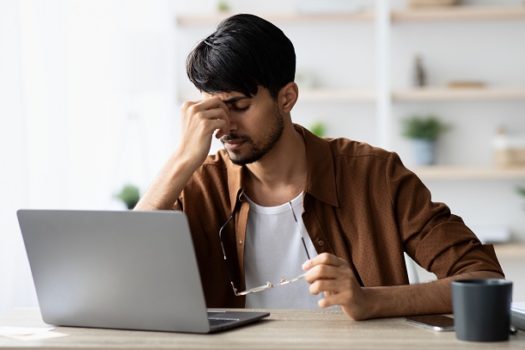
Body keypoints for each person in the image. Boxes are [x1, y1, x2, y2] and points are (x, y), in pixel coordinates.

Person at [135, 13, 503, 320]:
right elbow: (125, 283)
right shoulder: (198, 182)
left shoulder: (375, 174)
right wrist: (183, 159)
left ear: (287, 98)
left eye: (240, 107)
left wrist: (370, 300)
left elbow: (481, 277)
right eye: (212, 110)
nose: (224, 127)